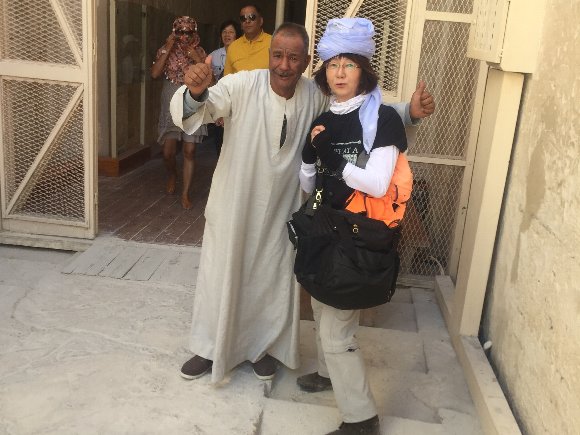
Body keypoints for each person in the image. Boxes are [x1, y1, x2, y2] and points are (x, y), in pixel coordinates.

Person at [169, 22, 435, 384]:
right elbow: (205, 105)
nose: (284, 65)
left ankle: (261, 348)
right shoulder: (242, 85)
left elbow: (362, 113)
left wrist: (410, 112)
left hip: (282, 208)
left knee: (269, 280)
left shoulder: (315, 95)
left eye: (293, 58)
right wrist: (196, 92)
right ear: (269, 55)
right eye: (278, 55)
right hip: (235, 205)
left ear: (307, 61)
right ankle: (208, 347)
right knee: (220, 276)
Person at [296, 18, 409, 435]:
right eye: (332, 65)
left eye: (349, 64)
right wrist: (309, 155)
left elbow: (377, 183)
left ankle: (361, 419)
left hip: (360, 237)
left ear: (364, 70)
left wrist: (330, 155)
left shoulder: (383, 119)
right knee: (322, 305)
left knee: (337, 329)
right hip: (327, 230)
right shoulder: (325, 117)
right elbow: (309, 184)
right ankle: (330, 375)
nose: (339, 73)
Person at [151, 16, 207, 210]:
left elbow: (209, 78)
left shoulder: (200, 51)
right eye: (180, 32)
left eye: (188, 32)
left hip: (192, 100)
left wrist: (196, 57)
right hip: (170, 102)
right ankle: (172, 174)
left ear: (194, 33)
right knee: (168, 153)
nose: (184, 36)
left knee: (189, 151)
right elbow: (155, 73)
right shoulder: (165, 49)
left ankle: (185, 193)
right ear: (174, 32)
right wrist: (168, 47)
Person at [204, 20, 242, 156]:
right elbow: (210, 81)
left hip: (238, 102)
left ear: (237, 34)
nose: (227, 35)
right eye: (224, 32)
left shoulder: (243, 54)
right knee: (220, 141)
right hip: (220, 100)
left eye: (231, 32)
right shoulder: (213, 55)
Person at [223, 4, 271, 75]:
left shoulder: (273, 43)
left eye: (252, 17)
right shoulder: (233, 47)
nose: (247, 21)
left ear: (261, 21)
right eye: (243, 18)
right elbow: (227, 78)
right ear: (241, 24)